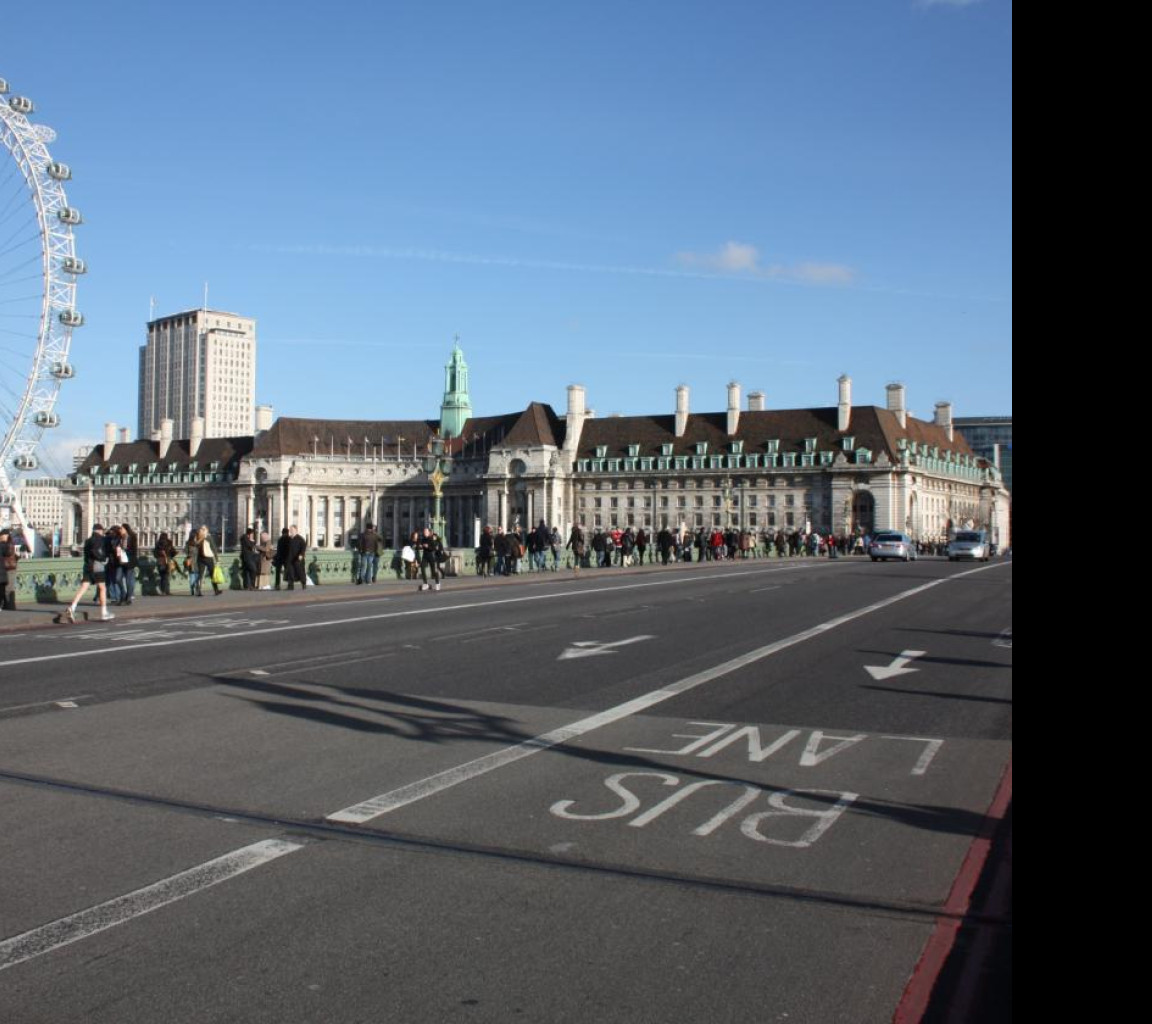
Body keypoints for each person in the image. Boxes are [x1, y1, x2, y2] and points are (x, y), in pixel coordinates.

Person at [65, 524, 114, 622]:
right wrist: (103, 558)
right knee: (102, 588)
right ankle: (104, 612)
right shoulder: (100, 539)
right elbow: (96, 551)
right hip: (97, 566)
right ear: (99, 531)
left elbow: (88, 553)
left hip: (87, 566)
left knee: (83, 587)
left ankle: (72, 607)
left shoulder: (88, 540)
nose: (102, 532)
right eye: (102, 531)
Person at [196, 525, 223, 596]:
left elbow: (196, 546)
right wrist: (217, 559)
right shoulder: (208, 537)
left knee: (200, 575)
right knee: (212, 574)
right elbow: (213, 548)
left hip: (200, 558)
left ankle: (198, 591)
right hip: (208, 558)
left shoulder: (198, 537)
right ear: (207, 530)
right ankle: (216, 590)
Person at [417, 527, 444, 592]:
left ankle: (437, 583)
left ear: (429, 532)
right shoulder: (423, 539)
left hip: (432, 556)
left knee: (434, 571)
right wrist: (420, 546)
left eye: (426, 532)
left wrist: (428, 546)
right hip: (425, 556)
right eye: (424, 532)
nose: (424, 533)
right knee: (422, 568)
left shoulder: (432, 539)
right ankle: (425, 583)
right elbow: (419, 545)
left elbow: (435, 548)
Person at [153, 532, 177, 596]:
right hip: (167, 561)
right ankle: (167, 591)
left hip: (160, 561)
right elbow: (173, 552)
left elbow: (155, 554)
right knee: (167, 576)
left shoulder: (158, 543)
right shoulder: (169, 543)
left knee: (162, 576)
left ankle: (163, 590)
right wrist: (171, 555)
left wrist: (160, 554)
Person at [286, 525, 308, 590]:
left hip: (298, 559)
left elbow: (303, 548)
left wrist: (301, 554)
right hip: (290, 558)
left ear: (296, 530)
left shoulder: (300, 539)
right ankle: (290, 586)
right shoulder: (289, 539)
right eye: (290, 530)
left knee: (300, 572)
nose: (291, 531)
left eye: (292, 530)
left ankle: (303, 583)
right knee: (290, 572)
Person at [0, 527, 17, 612]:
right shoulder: (7, 543)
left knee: (9, 588)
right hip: (6, 567)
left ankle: (10, 606)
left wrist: (3, 542)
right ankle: (7, 604)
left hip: (9, 567)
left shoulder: (9, 543)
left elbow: (8, 552)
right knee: (6, 588)